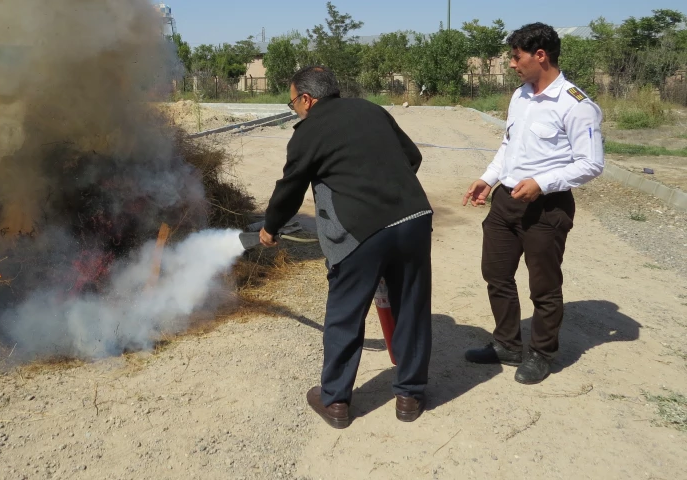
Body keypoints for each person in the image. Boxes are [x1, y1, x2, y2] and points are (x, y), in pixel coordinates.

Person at [259, 66, 433, 428]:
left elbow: (290, 187)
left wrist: (271, 227)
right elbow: (412, 157)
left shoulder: (309, 131)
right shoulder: (372, 109)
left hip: (361, 231)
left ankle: (335, 401)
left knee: (345, 313)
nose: (295, 110)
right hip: (414, 218)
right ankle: (409, 397)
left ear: (307, 99)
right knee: (411, 306)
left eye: (293, 103)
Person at [462, 23, 604, 384]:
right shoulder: (520, 96)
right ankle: (507, 344)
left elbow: (591, 163)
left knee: (543, 286)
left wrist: (542, 183)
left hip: (546, 208)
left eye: (516, 57)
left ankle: (542, 353)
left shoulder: (576, 105)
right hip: (505, 201)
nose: (512, 64)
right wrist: (488, 178)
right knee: (496, 275)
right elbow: (510, 146)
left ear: (540, 55)